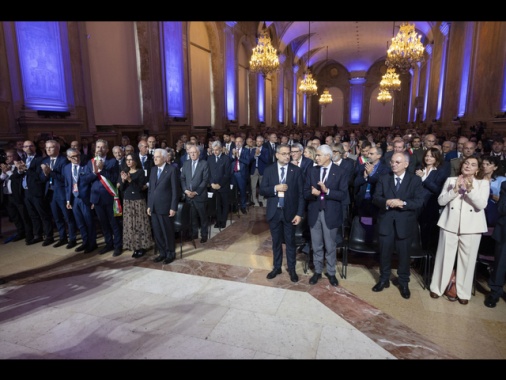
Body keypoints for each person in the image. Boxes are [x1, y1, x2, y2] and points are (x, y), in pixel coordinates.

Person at [429, 156, 489, 304]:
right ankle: (437, 288)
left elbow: (481, 205)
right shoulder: (450, 180)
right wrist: (454, 190)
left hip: (472, 227)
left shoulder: (483, 183)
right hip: (449, 224)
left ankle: (463, 293)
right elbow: (441, 201)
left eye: (473, 165)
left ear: (477, 170)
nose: (468, 166)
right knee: (444, 257)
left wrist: (470, 190)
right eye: (466, 163)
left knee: (467, 262)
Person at [371, 151, 425, 299]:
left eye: (397, 162)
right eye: (392, 162)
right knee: (384, 254)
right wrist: (386, 202)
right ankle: (383, 279)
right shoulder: (384, 178)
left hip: (405, 224)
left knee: (404, 256)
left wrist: (404, 203)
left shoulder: (414, 180)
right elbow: (376, 198)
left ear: (406, 164)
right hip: (386, 222)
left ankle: (403, 282)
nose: (393, 164)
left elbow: (419, 201)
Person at [303, 144, 348, 287]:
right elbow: (305, 192)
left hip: (330, 214)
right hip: (314, 213)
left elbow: (342, 195)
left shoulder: (340, 171)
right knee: (316, 245)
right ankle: (317, 271)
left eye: (318, 155)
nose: (315, 157)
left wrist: (326, 191)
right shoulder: (312, 170)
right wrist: (312, 193)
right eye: (316, 155)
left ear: (327, 156)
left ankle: (331, 272)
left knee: (330, 246)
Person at [260, 144, 305, 283]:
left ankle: (291, 269)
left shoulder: (296, 171)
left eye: (289, 154)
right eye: (284, 154)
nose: (287, 156)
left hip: (290, 213)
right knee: (276, 242)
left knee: (290, 242)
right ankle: (277, 267)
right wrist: (275, 188)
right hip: (274, 212)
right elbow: (262, 190)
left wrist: (299, 214)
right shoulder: (269, 170)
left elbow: (301, 194)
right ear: (277, 155)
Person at [88, 139, 123, 256]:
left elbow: (113, 179)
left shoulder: (112, 162)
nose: (100, 149)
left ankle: (118, 245)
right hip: (96, 198)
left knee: (114, 223)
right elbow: (86, 180)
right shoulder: (91, 162)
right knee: (103, 224)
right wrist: (94, 172)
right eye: (98, 147)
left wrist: (102, 169)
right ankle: (109, 244)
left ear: (107, 150)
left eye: (102, 147)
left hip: (109, 197)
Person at [40, 140, 78, 249]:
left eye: (51, 147)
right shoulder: (45, 160)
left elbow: (65, 179)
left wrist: (51, 172)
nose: (48, 149)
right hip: (51, 193)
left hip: (62, 193)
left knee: (68, 217)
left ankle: (72, 239)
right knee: (56, 217)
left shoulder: (64, 160)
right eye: (46, 147)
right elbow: (42, 179)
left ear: (58, 148)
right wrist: (45, 173)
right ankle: (62, 238)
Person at [148, 148, 181, 264]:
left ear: (164, 157)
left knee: (167, 232)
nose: (155, 159)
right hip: (154, 208)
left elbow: (175, 190)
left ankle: (170, 253)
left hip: (166, 207)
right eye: (154, 157)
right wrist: (149, 205)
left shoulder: (171, 170)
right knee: (157, 232)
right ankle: (162, 253)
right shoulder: (152, 170)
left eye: (157, 157)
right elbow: (151, 189)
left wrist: (173, 207)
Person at [415, 147, 450, 251]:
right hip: (417, 204)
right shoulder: (419, 168)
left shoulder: (440, 171)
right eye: (427, 155)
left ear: (437, 158)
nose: (428, 158)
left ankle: (426, 257)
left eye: (431, 156)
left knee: (428, 234)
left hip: (430, 205)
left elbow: (438, 189)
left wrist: (424, 178)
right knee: (416, 232)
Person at [119, 154, 154, 258]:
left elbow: (139, 188)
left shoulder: (140, 172)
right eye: (127, 160)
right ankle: (134, 246)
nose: (129, 162)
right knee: (130, 225)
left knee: (140, 224)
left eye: (131, 159)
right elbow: (121, 189)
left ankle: (142, 247)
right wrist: (123, 180)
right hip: (127, 201)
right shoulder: (124, 172)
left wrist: (130, 180)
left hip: (138, 200)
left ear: (135, 161)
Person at [64, 148, 98, 254]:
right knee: (80, 223)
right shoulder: (66, 168)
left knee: (89, 222)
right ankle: (85, 242)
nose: (76, 158)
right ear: (68, 158)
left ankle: (92, 243)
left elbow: (92, 183)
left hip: (85, 198)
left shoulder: (86, 166)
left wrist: (93, 199)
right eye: (73, 156)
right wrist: (68, 200)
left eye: (78, 155)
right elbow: (67, 185)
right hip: (74, 199)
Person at [180, 144, 210, 243]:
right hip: (188, 196)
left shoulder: (204, 163)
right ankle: (194, 234)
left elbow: (205, 180)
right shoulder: (186, 163)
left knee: (203, 217)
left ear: (199, 153)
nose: (192, 154)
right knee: (192, 217)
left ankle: (204, 235)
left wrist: (196, 192)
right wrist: (185, 190)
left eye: (194, 152)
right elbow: (182, 178)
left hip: (200, 196)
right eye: (190, 152)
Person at [485, 180, 506, 308]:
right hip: (505, 232)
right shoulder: (505, 185)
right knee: (500, 265)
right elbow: (501, 208)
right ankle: (494, 293)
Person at [207, 141, 231, 229]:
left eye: (217, 150)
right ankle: (218, 220)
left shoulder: (226, 158)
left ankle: (223, 221)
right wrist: (212, 183)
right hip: (213, 186)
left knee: (224, 204)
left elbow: (227, 174)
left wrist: (220, 184)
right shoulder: (210, 158)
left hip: (223, 186)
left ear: (221, 149)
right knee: (216, 204)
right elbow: (208, 172)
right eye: (213, 150)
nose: (215, 152)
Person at [481, 155, 506, 230]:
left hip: (494, 210)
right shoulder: (478, 179)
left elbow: (502, 200)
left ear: (495, 167)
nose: (484, 166)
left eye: (488, 164)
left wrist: (489, 195)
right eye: (483, 164)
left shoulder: (502, 180)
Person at [229, 136, 250, 214]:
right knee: (234, 191)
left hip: (241, 174)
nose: (237, 143)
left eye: (239, 141)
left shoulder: (246, 151)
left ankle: (243, 206)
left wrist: (238, 157)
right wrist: (233, 155)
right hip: (233, 173)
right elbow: (229, 160)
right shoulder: (232, 150)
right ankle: (235, 206)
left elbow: (247, 162)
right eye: (236, 142)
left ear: (243, 142)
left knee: (242, 190)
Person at [249, 135, 269, 207]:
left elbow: (266, 160)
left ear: (262, 142)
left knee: (261, 186)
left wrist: (259, 154)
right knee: (253, 186)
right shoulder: (253, 150)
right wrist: (254, 156)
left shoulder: (265, 150)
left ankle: (260, 199)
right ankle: (254, 200)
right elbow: (250, 160)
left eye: (260, 141)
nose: (258, 143)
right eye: (257, 141)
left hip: (262, 170)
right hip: (254, 170)